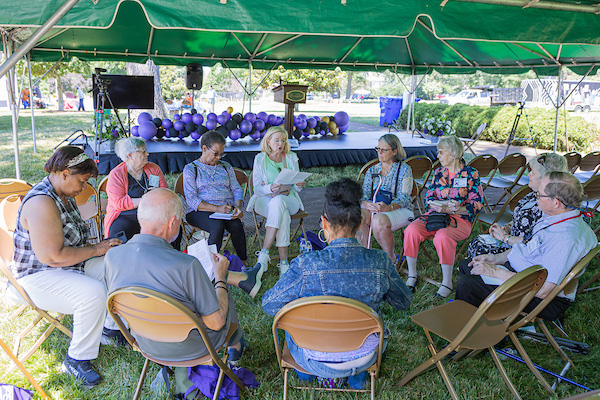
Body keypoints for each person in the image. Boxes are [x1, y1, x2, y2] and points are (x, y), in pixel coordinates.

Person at [104, 188, 263, 395]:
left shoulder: (111, 257)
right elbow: (215, 323)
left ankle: (188, 371)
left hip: (145, 341)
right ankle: (234, 346)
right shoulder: (186, 265)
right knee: (220, 290)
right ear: (172, 223)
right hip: (192, 347)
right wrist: (221, 278)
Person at [262, 178, 412, 389]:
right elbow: (403, 302)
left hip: (312, 357)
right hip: (364, 356)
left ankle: (309, 374)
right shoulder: (381, 262)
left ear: (323, 222)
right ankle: (357, 376)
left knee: (289, 324)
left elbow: (269, 305)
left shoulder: (305, 265)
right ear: (360, 223)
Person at [9, 146, 123, 387]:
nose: (83, 189)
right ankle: (76, 359)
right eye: (81, 182)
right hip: (37, 275)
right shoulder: (42, 202)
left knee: (116, 266)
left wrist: (102, 249)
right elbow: (53, 257)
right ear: (64, 173)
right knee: (93, 294)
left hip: (63, 266)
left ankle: (109, 329)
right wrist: (96, 249)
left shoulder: (62, 193)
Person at [456, 172, 596, 321]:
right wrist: (497, 259)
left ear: (556, 202)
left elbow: (543, 290)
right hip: (526, 274)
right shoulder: (557, 218)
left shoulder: (566, 238)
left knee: (468, 285)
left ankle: (478, 336)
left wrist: (496, 272)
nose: (535, 197)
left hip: (540, 296)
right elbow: (530, 247)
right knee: (468, 265)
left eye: (539, 194)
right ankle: (487, 321)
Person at [403, 135, 484, 299]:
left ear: (454, 154)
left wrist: (457, 208)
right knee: (411, 230)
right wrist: (437, 205)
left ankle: (446, 282)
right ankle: (412, 275)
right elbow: (428, 198)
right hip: (435, 215)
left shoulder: (470, 174)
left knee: (442, 236)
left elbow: (477, 204)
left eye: (441, 152)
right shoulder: (438, 172)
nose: (438, 156)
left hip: (459, 219)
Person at [467, 153, 568, 258]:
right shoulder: (533, 194)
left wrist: (505, 237)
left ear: (545, 176)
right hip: (512, 241)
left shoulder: (549, 205)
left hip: (523, 253)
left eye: (533, 172)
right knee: (477, 244)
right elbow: (520, 219)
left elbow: (536, 244)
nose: (529, 174)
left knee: (478, 251)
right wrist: (507, 227)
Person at [247, 126, 306, 276]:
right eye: (277, 140)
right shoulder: (260, 158)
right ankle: (284, 263)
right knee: (283, 214)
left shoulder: (291, 156)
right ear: (268, 141)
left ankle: (264, 252)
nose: (280, 143)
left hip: (289, 198)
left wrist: (299, 185)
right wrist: (269, 188)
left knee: (279, 202)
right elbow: (257, 189)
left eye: (283, 140)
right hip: (264, 199)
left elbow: (296, 187)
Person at [183, 131, 247, 265]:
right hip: (199, 212)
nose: (218, 157)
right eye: (215, 153)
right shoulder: (191, 169)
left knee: (236, 224)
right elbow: (192, 200)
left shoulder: (225, 166)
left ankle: (242, 262)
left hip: (225, 211)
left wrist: (238, 207)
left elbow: (236, 188)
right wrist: (217, 208)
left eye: (221, 154)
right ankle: (212, 265)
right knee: (217, 226)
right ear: (204, 148)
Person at [358, 134, 414, 262]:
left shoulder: (404, 170)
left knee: (378, 221)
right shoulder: (372, 171)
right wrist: (367, 204)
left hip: (400, 209)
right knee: (359, 216)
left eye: (384, 150)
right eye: (378, 149)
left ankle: (391, 260)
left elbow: (404, 197)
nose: (379, 152)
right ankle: (366, 259)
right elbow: (364, 195)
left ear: (395, 151)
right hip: (376, 208)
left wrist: (388, 207)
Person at [104, 137, 168, 240]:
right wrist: (147, 200)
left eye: (146, 150)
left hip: (152, 213)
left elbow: (164, 192)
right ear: (130, 155)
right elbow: (119, 203)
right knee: (118, 237)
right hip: (125, 215)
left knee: (169, 228)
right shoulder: (116, 174)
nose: (147, 154)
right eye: (143, 151)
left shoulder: (153, 169)